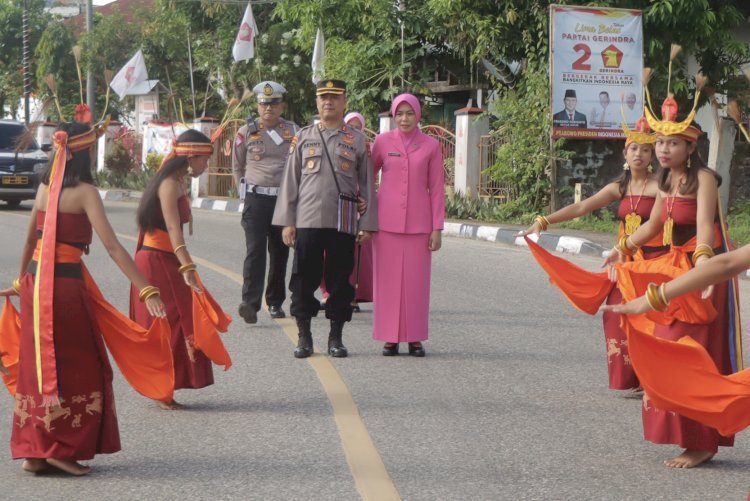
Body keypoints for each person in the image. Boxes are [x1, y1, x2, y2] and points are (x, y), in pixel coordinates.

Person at [0, 119, 171, 476]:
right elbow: (111, 246)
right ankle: (59, 447)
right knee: (78, 364)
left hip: (35, 283)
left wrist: (20, 282)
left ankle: (36, 449)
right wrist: (146, 287)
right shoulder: (86, 193)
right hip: (62, 287)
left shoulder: (46, 186)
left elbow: (32, 240)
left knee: (40, 365)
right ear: (85, 152)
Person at [601, 74, 740, 468]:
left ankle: (702, 441)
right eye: (659, 142)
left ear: (690, 146)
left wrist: (704, 274)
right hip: (676, 269)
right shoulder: (666, 180)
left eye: (671, 143)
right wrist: (620, 248)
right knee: (666, 345)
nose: (662, 149)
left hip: (703, 268)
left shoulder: (704, 179)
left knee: (694, 353)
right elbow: (651, 225)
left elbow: (705, 231)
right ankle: (685, 434)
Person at [520, 115, 662, 389]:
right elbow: (581, 208)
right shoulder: (619, 187)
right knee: (615, 314)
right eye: (634, 148)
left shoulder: (661, 186)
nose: (639, 155)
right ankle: (633, 377)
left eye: (645, 149)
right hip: (623, 262)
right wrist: (543, 221)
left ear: (653, 153)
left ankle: (653, 377)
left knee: (650, 317)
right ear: (625, 151)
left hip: (653, 261)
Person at [273, 79, 377, 359]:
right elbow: (290, 181)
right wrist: (287, 221)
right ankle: (304, 336)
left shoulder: (355, 139)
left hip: (342, 222)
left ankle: (336, 337)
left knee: (341, 281)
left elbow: (366, 184)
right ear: (317, 102)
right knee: (303, 280)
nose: (328, 102)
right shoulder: (304, 136)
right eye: (323, 98)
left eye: (334, 97)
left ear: (344, 101)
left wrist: (367, 224)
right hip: (306, 220)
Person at [131, 129, 225, 409]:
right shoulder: (170, 184)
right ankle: (162, 388)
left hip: (164, 258)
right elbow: (174, 232)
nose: (206, 166)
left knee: (178, 321)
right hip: (158, 260)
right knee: (169, 323)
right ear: (191, 157)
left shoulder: (176, 181)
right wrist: (188, 267)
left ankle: (167, 385)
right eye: (204, 160)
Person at [370, 93, 445, 357]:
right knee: (388, 283)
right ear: (393, 115)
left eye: (409, 113)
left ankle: (414, 338)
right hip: (385, 224)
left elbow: (437, 189)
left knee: (416, 284)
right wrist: (365, 213)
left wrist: (437, 228)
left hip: (419, 226)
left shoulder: (431, 146)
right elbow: (367, 177)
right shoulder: (381, 142)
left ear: (418, 115)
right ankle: (390, 338)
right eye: (399, 113)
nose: (404, 118)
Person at [233, 81, 298, 323]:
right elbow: (237, 166)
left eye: (273, 103)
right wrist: (245, 196)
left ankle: (275, 302)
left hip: (283, 200)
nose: (268, 108)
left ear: (281, 106)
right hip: (256, 199)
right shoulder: (245, 131)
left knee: (280, 252)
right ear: (258, 105)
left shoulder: (294, 131)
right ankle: (249, 303)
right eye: (263, 103)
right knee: (255, 252)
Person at [319, 111, 374, 312]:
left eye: (358, 126)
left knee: (352, 255)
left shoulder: (365, 146)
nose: (354, 129)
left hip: (357, 207)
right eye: (351, 125)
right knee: (327, 253)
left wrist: (366, 201)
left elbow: (368, 178)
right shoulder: (331, 144)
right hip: (332, 206)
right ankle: (327, 293)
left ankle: (351, 295)